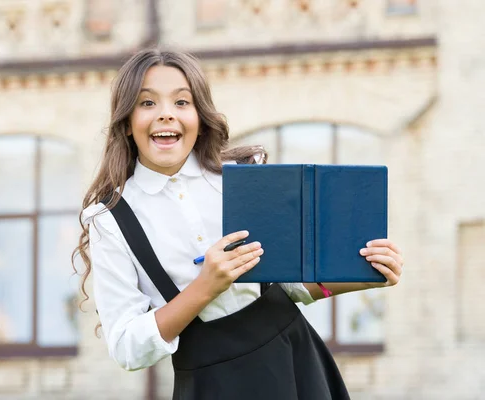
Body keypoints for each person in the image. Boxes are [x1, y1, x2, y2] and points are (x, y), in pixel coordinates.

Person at [74, 48, 404, 399]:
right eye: (148, 103)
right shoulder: (109, 218)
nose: (167, 114)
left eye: (182, 103)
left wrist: (362, 276)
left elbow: (287, 287)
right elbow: (128, 348)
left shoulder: (241, 178)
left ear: (200, 117)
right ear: (126, 122)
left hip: (295, 361)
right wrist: (205, 287)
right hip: (211, 384)